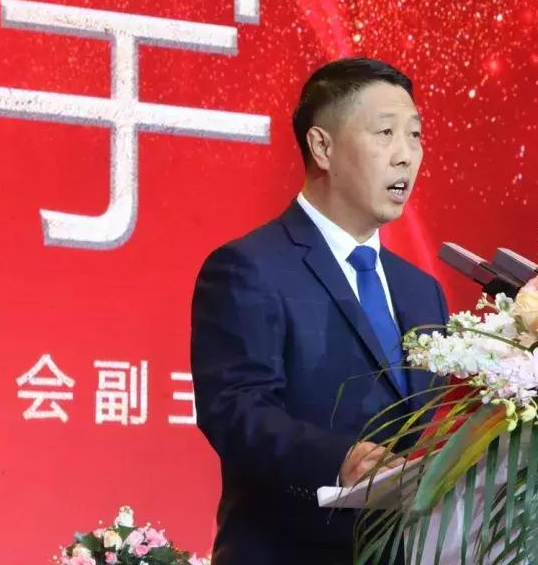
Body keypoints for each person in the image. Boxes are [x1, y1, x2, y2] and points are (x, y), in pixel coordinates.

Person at [191, 57, 449, 564]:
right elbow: (234, 409)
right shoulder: (250, 267)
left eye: (415, 135)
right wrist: (339, 460)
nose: (406, 156)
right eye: (386, 133)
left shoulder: (422, 291)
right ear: (322, 147)